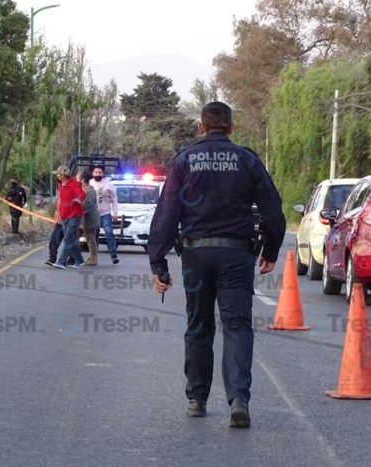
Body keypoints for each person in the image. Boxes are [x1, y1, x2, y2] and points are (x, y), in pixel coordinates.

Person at [148, 102, 286, 429]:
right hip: (237, 255)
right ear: (231, 128)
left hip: (196, 255)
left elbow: (167, 214)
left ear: (200, 127)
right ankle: (239, 399)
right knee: (237, 325)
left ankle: (196, 399)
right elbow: (273, 209)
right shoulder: (248, 159)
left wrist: (159, 263)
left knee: (199, 325)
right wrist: (271, 248)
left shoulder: (183, 161)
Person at [52, 165, 85, 269]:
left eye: (58, 174)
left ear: (64, 175)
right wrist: (58, 211)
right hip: (64, 215)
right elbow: (61, 198)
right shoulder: (60, 184)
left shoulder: (74, 183)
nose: (57, 175)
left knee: (67, 238)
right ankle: (79, 260)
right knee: (71, 239)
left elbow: (82, 194)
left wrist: (78, 199)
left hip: (75, 215)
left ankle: (61, 262)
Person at [90, 166, 120, 264]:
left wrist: (115, 213)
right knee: (94, 236)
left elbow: (114, 199)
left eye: (100, 172)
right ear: (92, 173)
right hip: (93, 214)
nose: (98, 174)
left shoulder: (108, 184)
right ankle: (94, 256)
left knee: (109, 233)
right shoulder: (90, 183)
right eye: (96, 172)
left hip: (105, 213)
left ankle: (113, 255)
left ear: (103, 174)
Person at [77, 171, 100, 266]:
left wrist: (77, 208)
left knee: (90, 239)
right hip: (80, 220)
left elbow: (88, 204)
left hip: (89, 219)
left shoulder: (90, 191)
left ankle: (94, 258)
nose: (76, 180)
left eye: (77, 178)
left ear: (82, 180)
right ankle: (75, 257)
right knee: (73, 237)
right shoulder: (81, 189)